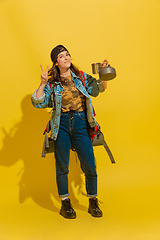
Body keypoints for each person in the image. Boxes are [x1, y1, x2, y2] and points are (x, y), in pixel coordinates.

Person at [31, 45, 108, 219]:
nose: (66, 57)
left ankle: (92, 200)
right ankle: (65, 202)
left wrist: (104, 74)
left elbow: (99, 89)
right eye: (61, 56)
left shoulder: (80, 77)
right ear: (56, 62)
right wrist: (43, 83)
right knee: (62, 166)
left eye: (67, 54)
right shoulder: (52, 84)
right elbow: (37, 102)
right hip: (62, 125)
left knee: (89, 165)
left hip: (81, 123)